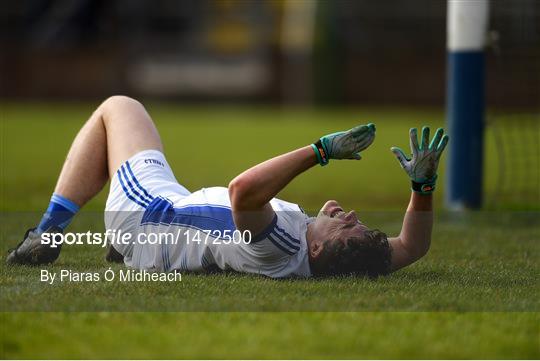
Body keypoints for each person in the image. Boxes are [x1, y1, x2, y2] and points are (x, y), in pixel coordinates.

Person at [6, 96, 449, 278]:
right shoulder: (342, 259)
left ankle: (44, 235)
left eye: (344, 228)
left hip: (146, 212)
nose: (350, 216)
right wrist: (422, 186)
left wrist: (320, 151)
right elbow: (412, 247)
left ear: (315, 251)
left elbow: (243, 191)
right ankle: (124, 248)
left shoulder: (281, 245)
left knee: (118, 107)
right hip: (164, 217)